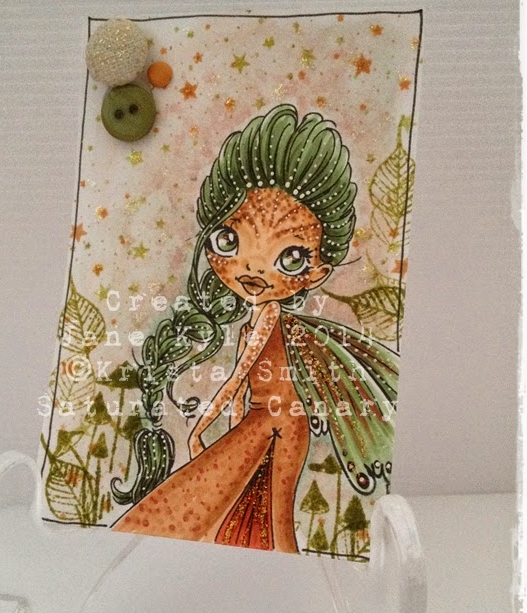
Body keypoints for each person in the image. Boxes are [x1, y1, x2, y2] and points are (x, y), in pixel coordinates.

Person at [111, 104, 398, 553]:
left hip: (279, 426)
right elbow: (244, 390)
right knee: (259, 514)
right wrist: (225, 426)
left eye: (290, 257)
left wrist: (200, 428)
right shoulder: (261, 317)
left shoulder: (271, 319)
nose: (254, 268)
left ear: (318, 273)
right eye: (231, 240)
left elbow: (235, 381)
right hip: (271, 424)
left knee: (208, 500)